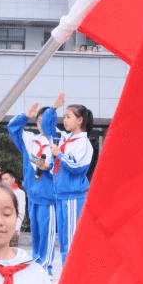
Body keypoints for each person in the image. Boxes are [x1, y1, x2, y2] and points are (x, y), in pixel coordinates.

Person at [40, 92, 94, 265]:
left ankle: (71, 282)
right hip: (61, 195)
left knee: (71, 242)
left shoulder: (83, 144)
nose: (65, 120)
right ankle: (66, 278)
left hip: (73, 196)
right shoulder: (64, 138)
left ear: (80, 120)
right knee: (64, 241)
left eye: (68, 116)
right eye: (64, 116)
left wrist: (60, 155)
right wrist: (54, 107)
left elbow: (78, 168)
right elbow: (46, 126)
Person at [7, 103, 56, 273]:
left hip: (48, 194)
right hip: (33, 193)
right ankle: (36, 262)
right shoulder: (30, 139)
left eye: (45, 121)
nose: (41, 124)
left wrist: (47, 167)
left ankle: (45, 266)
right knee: (35, 231)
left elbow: (59, 164)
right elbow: (12, 128)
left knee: (46, 231)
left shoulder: (57, 140)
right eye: (38, 121)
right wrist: (25, 116)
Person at [1, 172, 25, 248]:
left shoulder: (19, 193)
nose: (4, 181)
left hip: (13, 228)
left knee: (12, 251)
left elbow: (21, 211)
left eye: (6, 179)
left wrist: (17, 228)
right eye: (2, 179)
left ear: (13, 179)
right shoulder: (1, 192)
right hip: (1, 228)